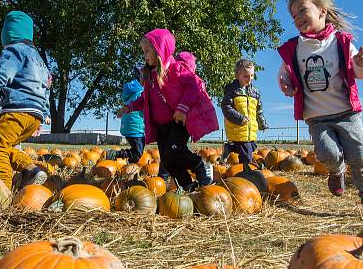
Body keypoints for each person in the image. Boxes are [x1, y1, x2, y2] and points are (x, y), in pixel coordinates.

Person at [277, 0, 363, 219]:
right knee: (326, 154)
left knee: (359, 157)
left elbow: (360, 73)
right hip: (316, 116)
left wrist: (362, 62)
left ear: (322, 12)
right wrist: (285, 84)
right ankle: (336, 170)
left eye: (302, 11)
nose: (297, 18)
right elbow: (284, 73)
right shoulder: (294, 48)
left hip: (347, 113)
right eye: (293, 16)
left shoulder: (342, 42)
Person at [117, 29, 217, 191]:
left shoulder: (177, 69)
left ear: (159, 50)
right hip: (161, 125)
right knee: (167, 160)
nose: (145, 56)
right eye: (144, 52)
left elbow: (192, 88)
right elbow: (144, 100)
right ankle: (188, 186)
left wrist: (182, 109)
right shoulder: (150, 77)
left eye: (147, 51)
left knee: (174, 151)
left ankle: (199, 166)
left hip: (177, 121)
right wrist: (129, 107)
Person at [0, 11, 51, 189]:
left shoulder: (14, 51)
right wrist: (42, 116)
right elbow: (46, 89)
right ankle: (30, 170)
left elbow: (4, 72)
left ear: (8, 34)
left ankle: (3, 190)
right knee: (6, 148)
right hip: (34, 116)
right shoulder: (40, 61)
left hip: (16, 111)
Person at [220, 59, 267, 165]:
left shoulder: (255, 92)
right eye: (246, 76)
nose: (249, 79)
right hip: (238, 127)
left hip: (251, 130)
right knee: (246, 154)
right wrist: (239, 118)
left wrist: (261, 123)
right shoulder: (232, 90)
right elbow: (226, 107)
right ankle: (245, 173)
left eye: (252, 75)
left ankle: (230, 148)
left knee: (252, 147)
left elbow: (258, 109)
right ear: (237, 75)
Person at [112, 65, 146, 163]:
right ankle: (114, 154)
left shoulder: (131, 91)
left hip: (128, 126)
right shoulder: (141, 92)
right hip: (136, 127)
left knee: (136, 151)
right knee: (137, 153)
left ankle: (130, 167)